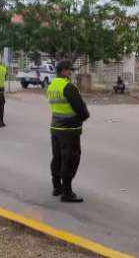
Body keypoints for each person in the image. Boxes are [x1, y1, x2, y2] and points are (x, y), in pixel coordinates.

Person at [47, 60, 90, 203]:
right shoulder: (69, 87)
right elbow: (83, 112)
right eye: (69, 70)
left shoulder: (51, 85)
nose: (71, 73)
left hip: (55, 128)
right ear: (64, 71)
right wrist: (80, 119)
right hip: (69, 131)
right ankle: (67, 192)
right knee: (70, 160)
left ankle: (57, 187)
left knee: (57, 158)